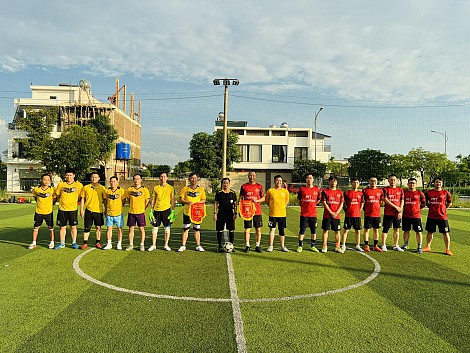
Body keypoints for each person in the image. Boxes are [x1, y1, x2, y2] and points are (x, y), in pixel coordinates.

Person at [423, 177, 453, 256]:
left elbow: (450, 203)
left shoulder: (446, 192)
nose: (438, 184)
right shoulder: (429, 192)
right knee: (430, 232)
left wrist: (443, 208)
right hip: (431, 215)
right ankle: (428, 246)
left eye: (439, 182)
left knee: (445, 232)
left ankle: (447, 249)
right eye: (436, 182)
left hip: (442, 216)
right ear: (434, 183)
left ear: (442, 183)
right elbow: (425, 202)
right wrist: (431, 207)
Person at [54, 170, 83, 249]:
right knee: (62, 227)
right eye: (67, 175)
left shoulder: (78, 185)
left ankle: (74, 242)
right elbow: (58, 195)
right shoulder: (61, 185)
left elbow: (81, 197)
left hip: (73, 209)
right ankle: (62, 243)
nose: (69, 177)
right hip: (62, 209)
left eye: (70, 175)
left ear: (74, 175)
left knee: (73, 226)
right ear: (65, 176)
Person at [178, 172, 206, 252]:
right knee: (186, 228)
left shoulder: (200, 189)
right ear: (189, 179)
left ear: (197, 179)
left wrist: (198, 203)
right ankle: (183, 245)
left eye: (195, 178)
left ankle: (198, 245)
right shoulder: (185, 189)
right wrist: (187, 202)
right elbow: (181, 198)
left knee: (197, 229)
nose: (193, 179)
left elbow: (203, 199)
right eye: (192, 178)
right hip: (187, 212)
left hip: (197, 213)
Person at [148, 171, 175, 251]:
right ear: (159, 178)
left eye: (164, 176)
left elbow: (172, 199)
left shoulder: (170, 188)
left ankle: (166, 245)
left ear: (167, 178)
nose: (163, 178)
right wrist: (151, 210)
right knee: (154, 228)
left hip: (166, 210)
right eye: (161, 176)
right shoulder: (156, 188)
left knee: (167, 228)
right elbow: (153, 199)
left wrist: (173, 211)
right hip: (157, 210)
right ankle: (153, 245)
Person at [80, 172, 107, 250]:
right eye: (92, 177)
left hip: (99, 211)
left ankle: (97, 242)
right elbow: (82, 199)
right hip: (89, 210)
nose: (94, 179)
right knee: (87, 227)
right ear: (90, 178)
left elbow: (105, 200)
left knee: (98, 227)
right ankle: (85, 243)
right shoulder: (86, 187)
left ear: (99, 178)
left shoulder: (102, 188)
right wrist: (81, 210)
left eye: (95, 177)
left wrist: (105, 210)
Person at [239, 171, 265, 253]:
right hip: (247, 211)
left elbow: (263, 198)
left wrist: (257, 200)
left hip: (257, 211)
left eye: (253, 176)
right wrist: (240, 210)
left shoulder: (259, 186)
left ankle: (257, 245)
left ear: (255, 176)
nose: (252, 177)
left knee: (258, 229)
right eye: (250, 175)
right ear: (248, 176)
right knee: (247, 229)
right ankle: (247, 245)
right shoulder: (244, 186)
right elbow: (240, 199)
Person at [28, 174, 55, 249]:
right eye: (44, 179)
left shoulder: (52, 189)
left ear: (50, 181)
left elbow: (54, 199)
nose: (46, 181)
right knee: (36, 228)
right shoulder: (36, 189)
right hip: (38, 212)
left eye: (48, 180)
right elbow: (36, 198)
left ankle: (52, 242)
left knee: (51, 228)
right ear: (41, 180)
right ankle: (33, 243)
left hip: (48, 212)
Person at [296, 173, 322, 253]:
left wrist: (314, 204)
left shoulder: (317, 189)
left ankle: (312, 246)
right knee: (302, 230)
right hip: (304, 214)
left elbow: (319, 199)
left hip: (313, 214)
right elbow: (299, 199)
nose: (309, 179)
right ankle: (300, 246)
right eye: (307, 178)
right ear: (305, 179)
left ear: (313, 179)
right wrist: (303, 206)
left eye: (310, 178)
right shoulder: (302, 189)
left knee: (313, 231)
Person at [124, 173, 150, 251]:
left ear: (141, 180)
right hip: (131, 212)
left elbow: (147, 200)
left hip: (140, 212)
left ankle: (142, 244)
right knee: (131, 229)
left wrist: (143, 208)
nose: (136, 180)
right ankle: (131, 244)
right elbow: (128, 199)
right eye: (135, 179)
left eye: (138, 179)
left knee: (141, 229)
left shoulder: (144, 190)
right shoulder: (129, 189)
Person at [265, 175, 290, 252]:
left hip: (282, 214)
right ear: (274, 181)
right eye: (277, 180)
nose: (278, 182)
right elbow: (267, 201)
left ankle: (282, 246)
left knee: (281, 230)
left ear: (282, 182)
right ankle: (270, 246)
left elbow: (286, 201)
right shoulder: (270, 191)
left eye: (280, 180)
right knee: (272, 230)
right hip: (272, 214)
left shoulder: (285, 191)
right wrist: (272, 207)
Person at [401, 178, 426, 253]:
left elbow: (424, 203)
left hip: (416, 216)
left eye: (413, 183)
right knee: (406, 230)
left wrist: (417, 209)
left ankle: (419, 246)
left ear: (416, 184)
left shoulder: (419, 193)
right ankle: (405, 244)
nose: (412, 185)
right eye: (410, 183)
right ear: (408, 184)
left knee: (418, 231)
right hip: (406, 215)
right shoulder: (404, 193)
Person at [381, 174, 404, 252]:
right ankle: (383, 245)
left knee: (397, 229)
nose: (392, 181)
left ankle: (396, 245)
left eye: (394, 180)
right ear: (388, 180)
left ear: (397, 180)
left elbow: (402, 200)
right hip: (388, 212)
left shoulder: (400, 190)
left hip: (397, 213)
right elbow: (385, 199)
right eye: (391, 179)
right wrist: (395, 207)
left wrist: (400, 210)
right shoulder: (385, 189)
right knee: (386, 229)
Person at [341, 177, 364, 252]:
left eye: (357, 182)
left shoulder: (360, 193)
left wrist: (359, 210)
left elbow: (362, 202)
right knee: (345, 231)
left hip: (357, 215)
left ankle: (358, 245)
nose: (356, 184)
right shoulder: (347, 192)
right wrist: (346, 210)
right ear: (351, 183)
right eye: (354, 182)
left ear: (359, 184)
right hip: (349, 216)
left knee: (358, 231)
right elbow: (343, 202)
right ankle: (343, 245)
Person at [321, 176, 344, 253]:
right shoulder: (325, 191)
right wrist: (331, 212)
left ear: (336, 182)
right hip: (327, 215)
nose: (333, 183)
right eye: (332, 181)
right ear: (329, 182)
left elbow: (341, 203)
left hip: (336, 215)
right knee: (325, 230)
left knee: (337, 231)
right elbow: (324, 202)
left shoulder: (340, 192)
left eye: (335, 181)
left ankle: (337, 246)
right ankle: (324, 246)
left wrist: (337, 212)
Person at [214, 177, 237, 252]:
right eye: (224, 183)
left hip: (230, 214)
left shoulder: (232, 193)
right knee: (219, 230)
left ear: (229, 184)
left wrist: (235, 213)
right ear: (222, 184)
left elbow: (235, 204)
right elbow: (216, 203)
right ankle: (220, 246)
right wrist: (215, 213)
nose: (225, 185)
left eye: (227, 183)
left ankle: (232, 246)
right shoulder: (219, 193)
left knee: (231, 230)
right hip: (221, 213)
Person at [104, 176, 126, 250]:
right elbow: (105, 201)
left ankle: (119, 243)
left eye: (114, 181)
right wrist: (105, 210)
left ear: (117, 182)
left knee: (119, 229)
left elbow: (123, 201)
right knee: (109, 228)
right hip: (109, 213)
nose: (112, 183)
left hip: (118, 214)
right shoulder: (107, 191)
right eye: (111, 181)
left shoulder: (121, 190)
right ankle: (109, 243)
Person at [362, 176, 384, 252]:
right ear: (369, 181)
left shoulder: (380, 191)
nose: (373, 182)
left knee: (376, 230)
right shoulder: (365, 190)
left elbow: (381, 201)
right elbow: (363, 201)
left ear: (377, 182)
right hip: (368, 214)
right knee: (366, 230)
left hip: (377, 214)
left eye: (374, 181)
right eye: (371, 180)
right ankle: (366, 245)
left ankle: (375, 245)